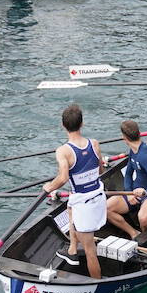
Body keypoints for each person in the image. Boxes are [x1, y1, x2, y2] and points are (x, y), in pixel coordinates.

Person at [42, 104, 106, 279]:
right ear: (82, 123)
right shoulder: (94, 144)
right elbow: (101, 170)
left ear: (63, 126)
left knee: (90, 251)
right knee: (69, 208)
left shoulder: (63, 151)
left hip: (85, 204)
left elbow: (62, 178)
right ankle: (71, 249)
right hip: (98, 197)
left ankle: (97, 284)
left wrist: (49, 187)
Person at [105, 119, 147, 239]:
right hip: (134, 192)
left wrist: (145, 192)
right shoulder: (133, 151)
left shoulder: (144, 155)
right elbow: (128, 174)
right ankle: (134, 233)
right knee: (106, 209)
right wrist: (129, 193)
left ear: (124, 137)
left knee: (143, 218)